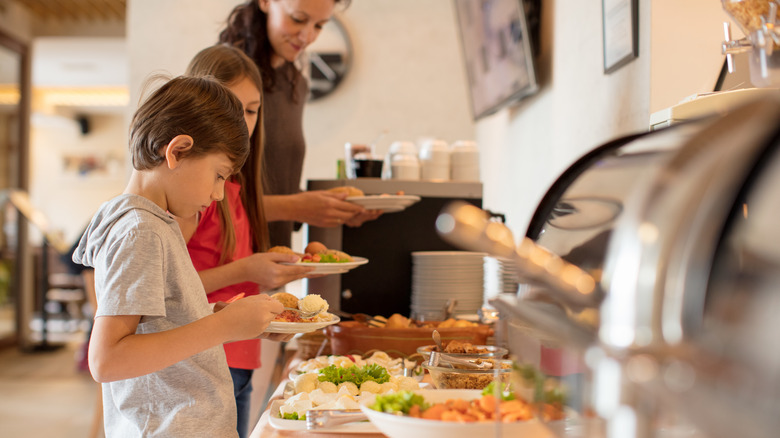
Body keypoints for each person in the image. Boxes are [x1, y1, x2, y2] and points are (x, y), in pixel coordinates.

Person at [71, 75, 283, 437]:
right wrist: (223, 326)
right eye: (219, 176)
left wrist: (216, 317)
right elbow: (107, 360)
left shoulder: (152, 223)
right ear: (178, 151)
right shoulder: (141, 230)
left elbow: (155, 326)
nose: (219, 195)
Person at [180, 44, 312, 438]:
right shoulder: (196, 192)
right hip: (201, 361)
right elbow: (172, 289)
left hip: (239, 356)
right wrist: (246, 269)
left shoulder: (235, 185)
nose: (242, 122)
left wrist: (267, 268)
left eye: (251, 110)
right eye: (229, 107)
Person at [219, 0, 381, 249]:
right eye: (297, 19)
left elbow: (277, 185)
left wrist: (335, 209)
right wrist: (297, 207)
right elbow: (206, 199)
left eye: (319, 25)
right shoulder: (225, 77)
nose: (307, 37)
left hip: (273, 259)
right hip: (225, 260)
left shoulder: (294, 82)